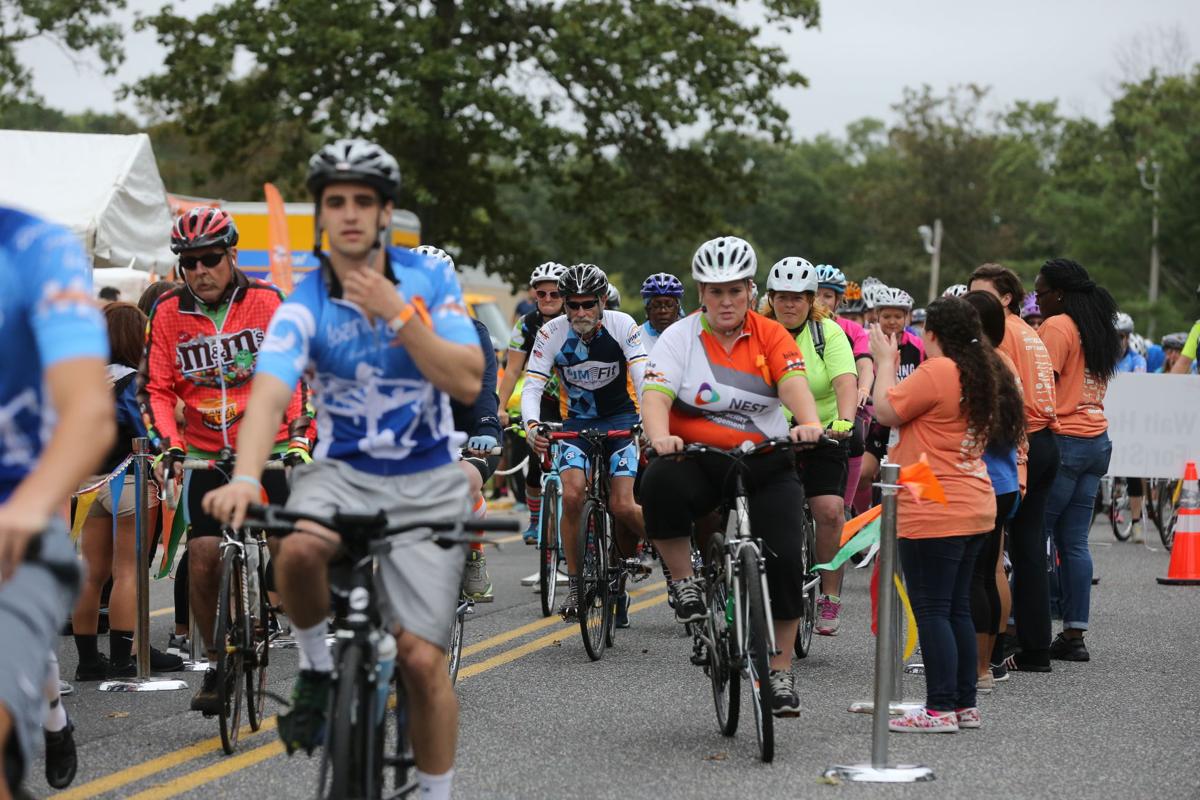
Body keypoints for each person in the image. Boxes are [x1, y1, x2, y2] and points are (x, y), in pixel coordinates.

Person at [203, 139, 483, 800]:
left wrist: (398, 314)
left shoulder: (429, 280)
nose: (350, 214)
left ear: (385, 212)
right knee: (296, 550)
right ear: (321, 214)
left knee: (419, 658)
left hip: (428, 476)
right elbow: (270, 390)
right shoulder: (304, 297)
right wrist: (246, 476)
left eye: (364, 201)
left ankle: (435, 792)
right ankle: (317, 666)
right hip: (343, 471)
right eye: (336, 202)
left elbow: (468, 380)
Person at [139, 206, 314, 714]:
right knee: (201, 557)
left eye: (210, 259)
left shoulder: (267, 301)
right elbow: (154, 387)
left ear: (231, 254)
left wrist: (299, 440)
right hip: (206, 453)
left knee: (287, 545)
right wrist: (168, 445)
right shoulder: (168, 313)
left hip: (272, 446)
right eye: (188, 263)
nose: (199, 271)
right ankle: (216, 663)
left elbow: (296, 377)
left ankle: (310, 648)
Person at [640, 235, 822, 717]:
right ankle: (684, 582)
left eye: (735, 291)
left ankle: (780, 672)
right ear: (700, 292)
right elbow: (655, 395)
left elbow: (794, 384)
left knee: (784, 558)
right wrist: (660, 436)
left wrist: (808, 423)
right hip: (699, 459)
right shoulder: (680, 337)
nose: (725, 301)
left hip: (766, 459)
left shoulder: (771, 335)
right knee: (658, 480)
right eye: (715, 292)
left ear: (749, 290)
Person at [1, 206, 116, 798]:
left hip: (17, 507)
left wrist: (28, 506)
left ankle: (47, 721)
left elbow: (91, 413)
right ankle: (51, 717)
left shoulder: (36, 250)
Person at [870, 296, 1004, 733]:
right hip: (972, 502)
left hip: (934, 506)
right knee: (956, 609)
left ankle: (940, 708)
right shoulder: (981, 368)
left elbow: (886, 409)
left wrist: (884, 360)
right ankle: (963, 704)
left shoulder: (940, 370)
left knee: (932, 610)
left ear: (931, 334)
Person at [522, 264, 648, 623]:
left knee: (623, 506)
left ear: (602, 301)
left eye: (588, 304)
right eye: (572, 305)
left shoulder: (623, 325)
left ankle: (668, 554)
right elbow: (532, 384)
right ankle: (577, 586)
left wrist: (649, 424)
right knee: (573, 495)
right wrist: (531, 425)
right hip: (575, 423)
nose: (579, 313)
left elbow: (642, 375)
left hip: (622, 421)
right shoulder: (551, 333)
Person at [72, 303, 182, 681]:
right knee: (128, 572)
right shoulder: (136, 381)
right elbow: (148, 433)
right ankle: (122, 659)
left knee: (91, 573)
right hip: (129, 480)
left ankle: (87, 660)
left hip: (89, 484)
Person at [968, 263, 1059, 673]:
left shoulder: (1000, 333)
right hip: (1044, 441)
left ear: (1005, 298)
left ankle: (992, 652)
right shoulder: (1029, 331)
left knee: (996, 558)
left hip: (1020, 447)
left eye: (982, 294)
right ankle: (1033, 648)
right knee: (1026, 552)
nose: (974, 303)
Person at [1035, 258, 1123, 663]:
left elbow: (1043, 386)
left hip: (1064, 439)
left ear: (1060, 293)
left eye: (1041, 292)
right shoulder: (1099, 327)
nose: (1037, 299)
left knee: (1033, 536)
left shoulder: (1057, 327)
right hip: (1097, 439)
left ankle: (1023, 628)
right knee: (1074, 542)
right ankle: (1074, 635)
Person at [763, 258, 856, 635]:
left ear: (811, 299)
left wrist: (844, 421)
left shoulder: (826, 333)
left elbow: (845, 381)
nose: (790, 305)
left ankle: (829, 595)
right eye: (782, 297)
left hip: (822, 432)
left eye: (798, 298)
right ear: (770, 298)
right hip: (771, 431)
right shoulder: (758, 331)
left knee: (829, 509)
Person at [415, 245, 502, 603]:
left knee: (462, 483)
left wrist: (485, 428)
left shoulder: (471, 331)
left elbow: (483, 387)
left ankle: (473, 553)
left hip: (469, 433)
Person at [962, 291, 1025, 693]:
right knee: (987, 572)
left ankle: (977, 670)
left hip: (977, 482)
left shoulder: (972, 367)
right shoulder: (1005, 365)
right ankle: (988, 665)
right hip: (1002, 483)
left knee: (971, 576)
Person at [496, 261, 567, 544]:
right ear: (533, 295)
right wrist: (499, 408)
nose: (548, 299)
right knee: (538, 462)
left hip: (574, 399)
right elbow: (513, 370)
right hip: (543, 399)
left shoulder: (575, 319)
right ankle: (536, 518)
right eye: (542, 294)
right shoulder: (525, 325)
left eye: (555, 294)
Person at [854, 287, 925, 516]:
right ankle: (862, 518)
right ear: (877, 316)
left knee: (911, 480)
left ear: (907, 317)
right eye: (886, 316)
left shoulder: (918, 346)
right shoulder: (866, 341)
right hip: (875, 420)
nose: (892, 321)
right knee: (864, 473)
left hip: (906, 422)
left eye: (898, 316)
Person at [814, 265, 875, 522]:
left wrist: (863, 388)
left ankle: (846, 506)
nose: (821, 301)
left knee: (856, 435)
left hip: (845, 401)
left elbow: (865, 363)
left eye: (828, 296)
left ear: (838, 300)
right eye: (816, 294)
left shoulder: (852, 329)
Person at [639, 272, 686, 353]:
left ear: (678, 308)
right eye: (656, 305)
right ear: (647, 309)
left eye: (669, 305)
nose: (663, 311)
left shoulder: (690, 336)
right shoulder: (635, 338)